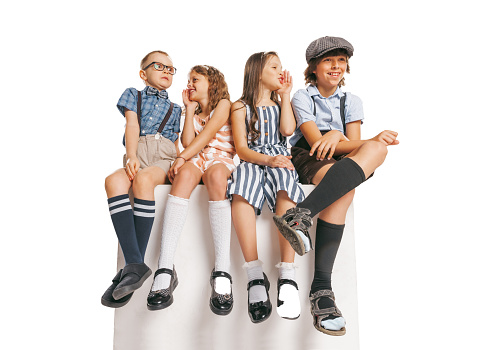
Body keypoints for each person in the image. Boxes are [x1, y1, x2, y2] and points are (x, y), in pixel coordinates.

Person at [273, 36, 399, 335]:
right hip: (309, 157)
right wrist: (334, 136)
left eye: (341, 60)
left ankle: (300, 214)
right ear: (314, 67)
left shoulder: (351, 101)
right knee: (346, 187)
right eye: (329, 60)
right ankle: (322, 290)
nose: (336, 66)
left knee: (378, 149)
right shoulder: (303, 98)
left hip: (340, 157)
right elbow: (316, 144)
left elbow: (354, 147)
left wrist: (339, 136)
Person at [147, 65, 236, 316]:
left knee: (217, 176)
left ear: (212, 83)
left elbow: (207, 135)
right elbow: (188, 142)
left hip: (220, 158)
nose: (190, 84)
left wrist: (181, 157)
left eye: (195, 79)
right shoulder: (195, 112)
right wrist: (188, 110)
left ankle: (222, 269)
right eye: (188, 80)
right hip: (196, 157)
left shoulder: (225, 105)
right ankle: (165, 267)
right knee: (184, 174)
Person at [228, 52, 305, 323]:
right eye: (274, 67)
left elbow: (286, 131)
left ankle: (287, 273)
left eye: (281, 67)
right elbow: (242, 149)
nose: (280, 71)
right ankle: (254, 274)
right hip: (255, 157)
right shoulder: (240, 107)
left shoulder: (281, 102)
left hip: (279, 157)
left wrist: (285, 96)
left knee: (286, 188)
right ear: (257, 71)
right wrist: (267, 159)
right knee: (241, 191)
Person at [101, 51, 181, 308]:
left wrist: (178, 163)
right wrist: (131, 155)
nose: (167, 71)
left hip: (163, 157)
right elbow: (131, 126)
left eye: (171, 68)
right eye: (160, 66)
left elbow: (176, 142)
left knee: (144, 181)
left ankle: (132, 268)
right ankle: (135, 264)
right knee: (113, 181)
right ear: (143, 73)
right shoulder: (133, 95)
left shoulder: (176, 107)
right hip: (138, 152)